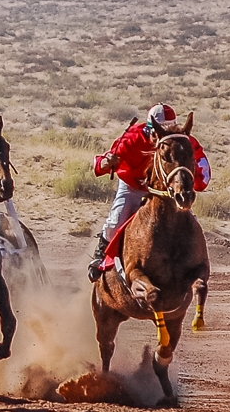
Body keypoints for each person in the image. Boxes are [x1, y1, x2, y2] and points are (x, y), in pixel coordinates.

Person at [87, 103, 210, 281]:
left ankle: (194, 262)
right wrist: (107, 163)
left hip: (164, 192)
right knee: (116, 219)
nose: (158, 137)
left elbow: (202, 170)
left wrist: (193, 184)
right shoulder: (132, 139)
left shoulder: (182, 142)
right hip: (132, 187)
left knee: (188, 222)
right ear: (149, 127)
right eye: (156, 131)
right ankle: (100, 256)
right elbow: (101, 164)